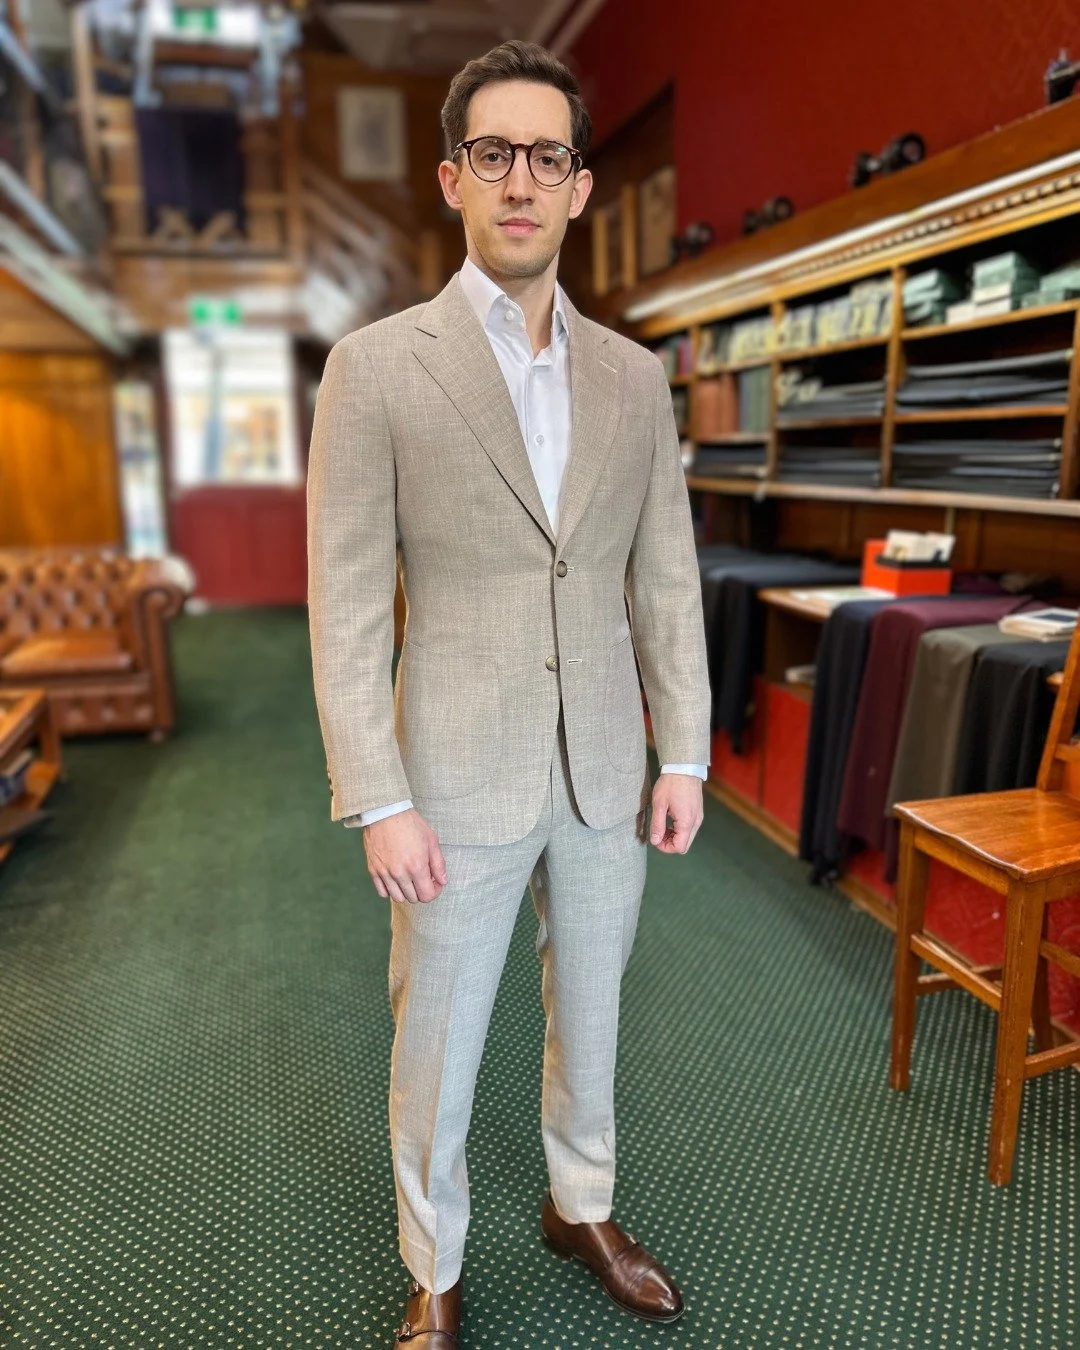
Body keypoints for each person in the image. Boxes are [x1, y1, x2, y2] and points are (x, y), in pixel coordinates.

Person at [307, 38, 711, 1348]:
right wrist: (377, 795)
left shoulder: (635, 378)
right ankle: (436, 1264)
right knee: (438, 1037)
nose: (521, 180)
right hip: (452, 777)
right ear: (452, 178)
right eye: (495, 154)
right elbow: (352, 599)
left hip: (605, 762)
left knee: (592, 1011)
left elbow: (665, 578)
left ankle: (579, 1202)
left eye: (548, 154)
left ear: (581, 186)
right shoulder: (375, 370)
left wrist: (686, 754)